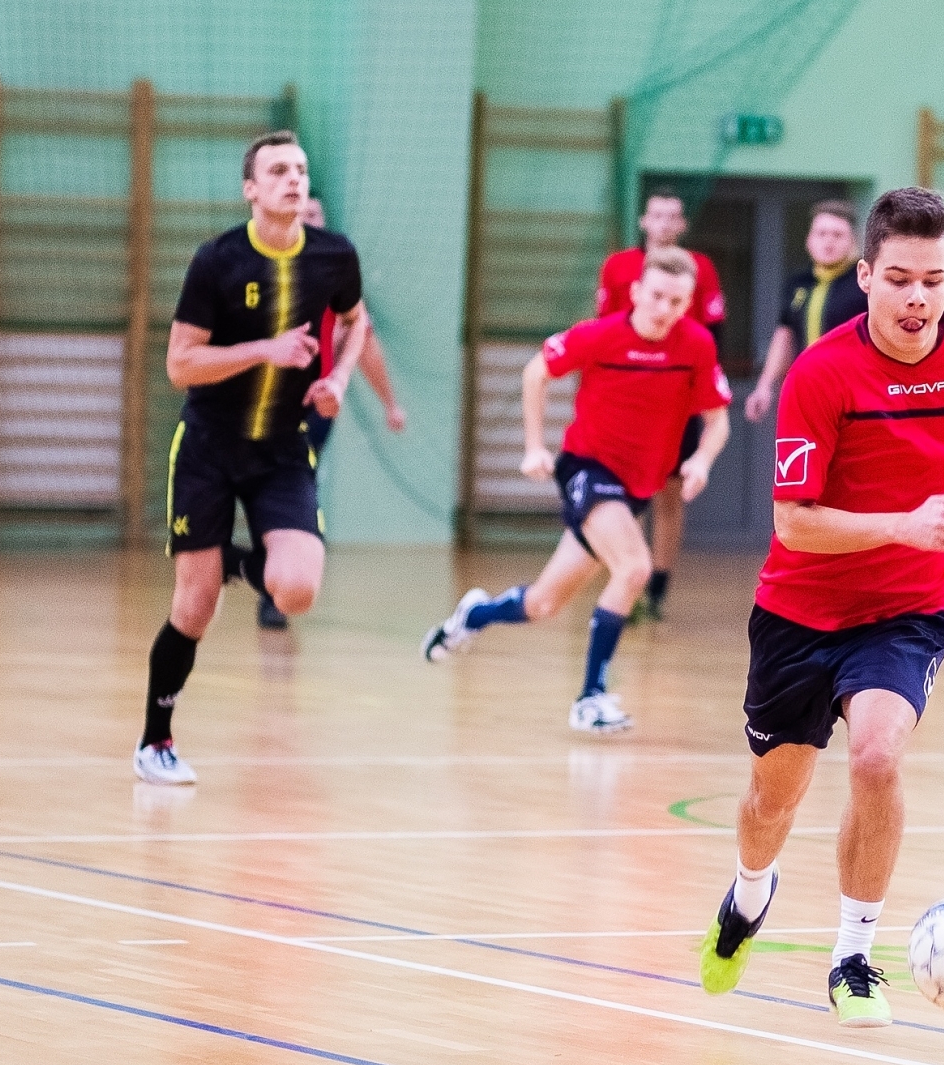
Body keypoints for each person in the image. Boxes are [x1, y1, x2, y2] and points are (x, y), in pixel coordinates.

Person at [697, 188, 944, 1027]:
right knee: (771, 803)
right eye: (899, 280)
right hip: (800, 613)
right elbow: (793, 524)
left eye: (934, 279)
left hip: (908, 609)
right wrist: (906, 524)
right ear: (866, 277)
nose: (918, 298)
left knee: (878, 758)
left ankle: (852, 958)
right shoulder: (821, 374)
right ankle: (749, 893)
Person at [135, 130, 367, 785]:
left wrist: (339, 379)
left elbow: (356, 321)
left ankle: (232, 562)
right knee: (195, 607)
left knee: (295, 588)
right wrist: (263, 351)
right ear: (251, 189)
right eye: (277, 171)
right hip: (208, 446)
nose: (293, 179)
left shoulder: (334, 256)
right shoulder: (217, 261)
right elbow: (180, 364)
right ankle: (156, 742)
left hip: (282, 449)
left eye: (300, 169)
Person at [422, 247, 732, 733]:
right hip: (587, 468)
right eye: (656, 297)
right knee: (634, 568)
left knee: (544, 604)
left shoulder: (694, 345)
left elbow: (717, 419)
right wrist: (532, 446)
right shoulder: (600, 335)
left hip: (637, 486)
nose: (665, 309)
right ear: (635, 293)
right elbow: (535, 372)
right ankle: (591, 696)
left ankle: (474, 615)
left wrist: (702, 461)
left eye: (677, 301)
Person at [251, 197, 406, 631]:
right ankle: (266, 566)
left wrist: (389, 403)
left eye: (316, 215)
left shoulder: (336, 284)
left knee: (290, 483)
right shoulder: (262, 273)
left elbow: (367, 347)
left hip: (312, 409)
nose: (308, 219)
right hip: (257, 408)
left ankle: (275, 590)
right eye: (302, 213)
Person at [595, 188, 726, 620]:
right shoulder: (619, 267)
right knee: (623, 494)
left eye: (674, 217)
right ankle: (625, 581)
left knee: (669, 495)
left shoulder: (699, 268)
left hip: (678, 402)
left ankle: (658, 588)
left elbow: (714, 332)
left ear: (682, 225)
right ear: (644, 222)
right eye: (657, 216)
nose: (665, 224)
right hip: (627, 403)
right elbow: (604, 333)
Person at [743, 199, 867, 423]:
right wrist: (764, 386)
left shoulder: (865, 283)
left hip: (855, 393)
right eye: (821, 234)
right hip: (807, 389)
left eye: (838, 235)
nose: (828, 242)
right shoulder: (798, 282)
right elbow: (785, 335)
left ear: (853, 241)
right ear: (809, 240)